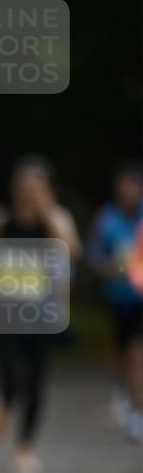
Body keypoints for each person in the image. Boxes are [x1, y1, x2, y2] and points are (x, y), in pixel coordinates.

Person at [0, 156, 81, 473]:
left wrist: (48, 214)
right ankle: (2, 403)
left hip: (42, 314)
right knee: (8, 375)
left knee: (36, 382)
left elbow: (72, 252)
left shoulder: (56, 220)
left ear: (48, 190)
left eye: (36, 188)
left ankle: (24, 447)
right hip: (4, 310)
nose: (29, 193)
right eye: (24, 187)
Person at [87, 161, 143, 442]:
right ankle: (128, 394)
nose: (128, 190)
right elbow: (94, 258)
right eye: (123, 185)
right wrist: (113, 268)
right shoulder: (106, 220)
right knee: (125, 354)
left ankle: (137, 409)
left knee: (136, 353)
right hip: (120, 297)